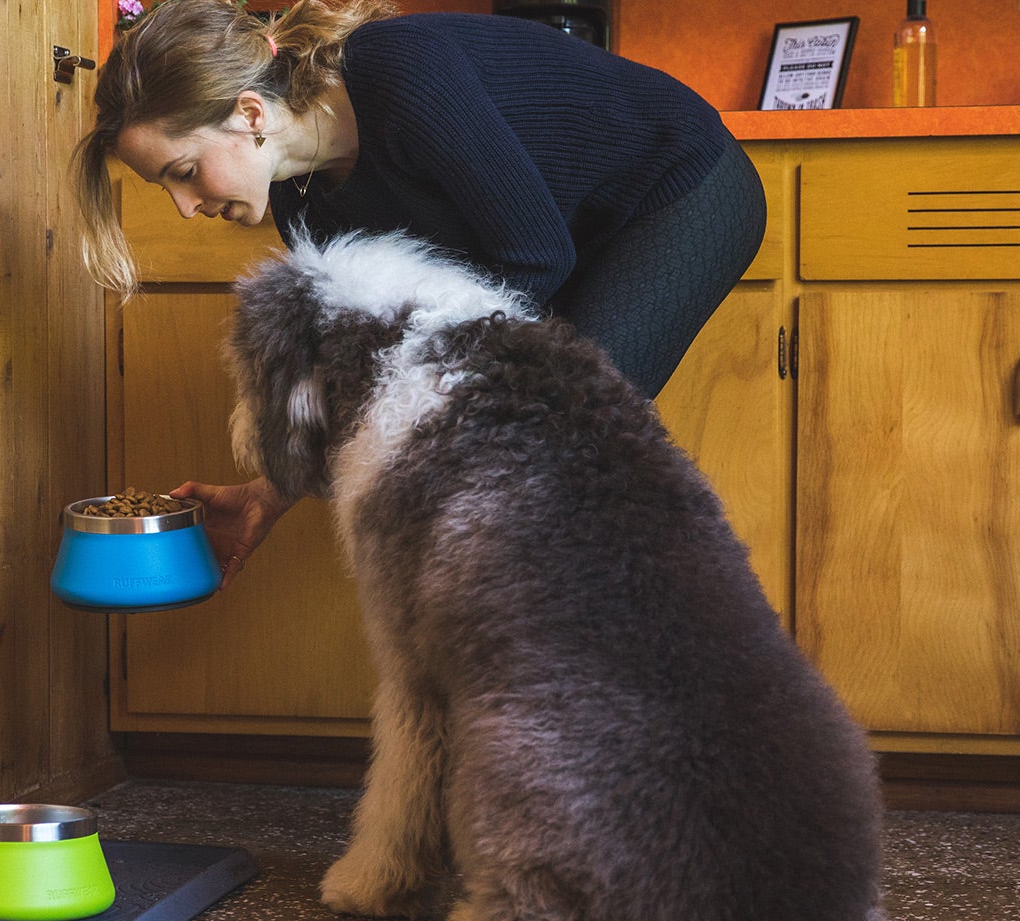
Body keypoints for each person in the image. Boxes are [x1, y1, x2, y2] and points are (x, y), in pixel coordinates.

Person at [72, 0, 766, 586]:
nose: (185, 207)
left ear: (250, 113)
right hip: (556, 243)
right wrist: (273, 489)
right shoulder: (304, 205)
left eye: (185, 171)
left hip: (675, 193)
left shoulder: (397, 69)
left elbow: (533, 258)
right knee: (491, 470)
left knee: (551, 448)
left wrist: (422, 395)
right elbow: (364, 358)